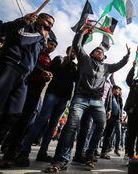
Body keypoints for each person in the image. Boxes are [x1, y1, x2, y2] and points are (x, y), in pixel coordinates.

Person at [44, 23, 130, 173]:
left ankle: (89, 155)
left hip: (97, 102)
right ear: (91, 54)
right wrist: (83, 31)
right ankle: (62, 160)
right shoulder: (84, 60)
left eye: (101, 52)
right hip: (81, 98)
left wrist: (127, 56)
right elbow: (76, 44)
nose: (99, 52)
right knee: (72, 126)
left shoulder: (107, 67)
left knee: (101, 125)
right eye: (97, 51)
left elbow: (119, 64)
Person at [0, 13, 54, 168]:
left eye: (52, 24)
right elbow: (22, 38)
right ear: (39, 18)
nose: (50, 26)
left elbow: (32, 59)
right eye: (48, 21)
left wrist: (40, 71)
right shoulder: (26, 26)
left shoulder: (40, 40)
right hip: (10, 68)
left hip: (24, 77)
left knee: (13, 115)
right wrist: (39, 34)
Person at [16, 46, 78, 166]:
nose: (74, 53)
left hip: (64, 98)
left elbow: (76, 79)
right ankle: (24, 152)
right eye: (72, 51)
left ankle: (42, 153)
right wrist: (65, 61)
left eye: (76, 52)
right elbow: (51, 71)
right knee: (41, 121)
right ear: (67, 51)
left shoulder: (75, 66)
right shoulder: (59, 59)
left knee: (53, 125)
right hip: (52, 94)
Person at [2, 37, 57, 165]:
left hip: (37, 90)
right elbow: (32, 64)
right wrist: (42, 71)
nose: (52, 46)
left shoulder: (49, 60)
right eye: (51, 43)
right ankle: (7, 147)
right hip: (27, 86)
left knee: (26, 120)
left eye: (54, 45)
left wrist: (47, 76)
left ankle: (14, 148)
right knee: (15, 117)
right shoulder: (37, 51)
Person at [100, 85, 123, 159]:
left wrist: (120, 117)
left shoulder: (118, 99)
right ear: (113, 90)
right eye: (117, 89)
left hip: (115, 119)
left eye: (119, 90)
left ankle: (104, 152)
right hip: (109, 117)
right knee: (103, 134)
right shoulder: (110, 96)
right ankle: (97, 151)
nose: (118, 91)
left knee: (108, 135)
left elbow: (120, 108)